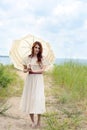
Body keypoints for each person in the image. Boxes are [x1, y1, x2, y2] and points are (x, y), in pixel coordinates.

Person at [20, 41, 48, 129]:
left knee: (38, 99)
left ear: (40, 49)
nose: (37, 49)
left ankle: (39, 121)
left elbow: (43, 70)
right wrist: (27, 69)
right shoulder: (28, 58)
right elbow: (24, 70)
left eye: (39, 48)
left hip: (38, 80)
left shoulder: (42, 58)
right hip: (30, 80)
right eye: (36, 47)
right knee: (30, 99)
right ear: (33, 48)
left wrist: (35, 70)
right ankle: (32, 121)